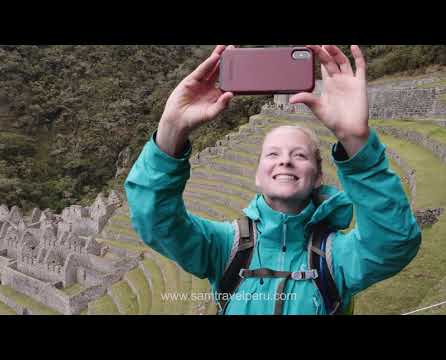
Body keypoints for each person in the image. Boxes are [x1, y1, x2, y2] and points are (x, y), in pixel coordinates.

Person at [125, 45, 421, 315]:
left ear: (318, 177)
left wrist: (355, 140)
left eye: (300, 156)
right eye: (273, 154)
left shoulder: (335, 258)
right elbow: (156, 221)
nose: (285, 160)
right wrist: (172, 128)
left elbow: (393, 242)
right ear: (256, 175)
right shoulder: (224, 247)